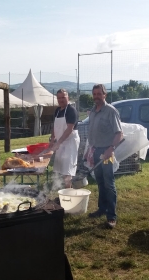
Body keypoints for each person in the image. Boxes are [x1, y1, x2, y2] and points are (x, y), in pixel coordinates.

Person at [86, 84, 123, 229]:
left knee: (109, 183)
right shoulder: (93, 112)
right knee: (100, 181)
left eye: (99, 94)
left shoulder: (110, 111)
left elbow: (119, 133)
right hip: (95, 151)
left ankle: (111, 216)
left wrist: (111, 148)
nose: (96, 96)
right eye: (94, 94)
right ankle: (102, 209)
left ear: (104, 95)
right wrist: (90, 150)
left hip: (107, 152)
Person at [49, 89, 80, 188]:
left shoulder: (71, 111)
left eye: (63, 97)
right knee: (61, 167)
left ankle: (68, 193)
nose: (61, 100)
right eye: (59, 98)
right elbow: (54, 126)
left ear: (68, 97)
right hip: (61, 142)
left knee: (67, 170)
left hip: (70, 142)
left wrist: (58, 143)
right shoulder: (57, 111)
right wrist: (52, 139)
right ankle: (63, 191)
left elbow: (69, 129)